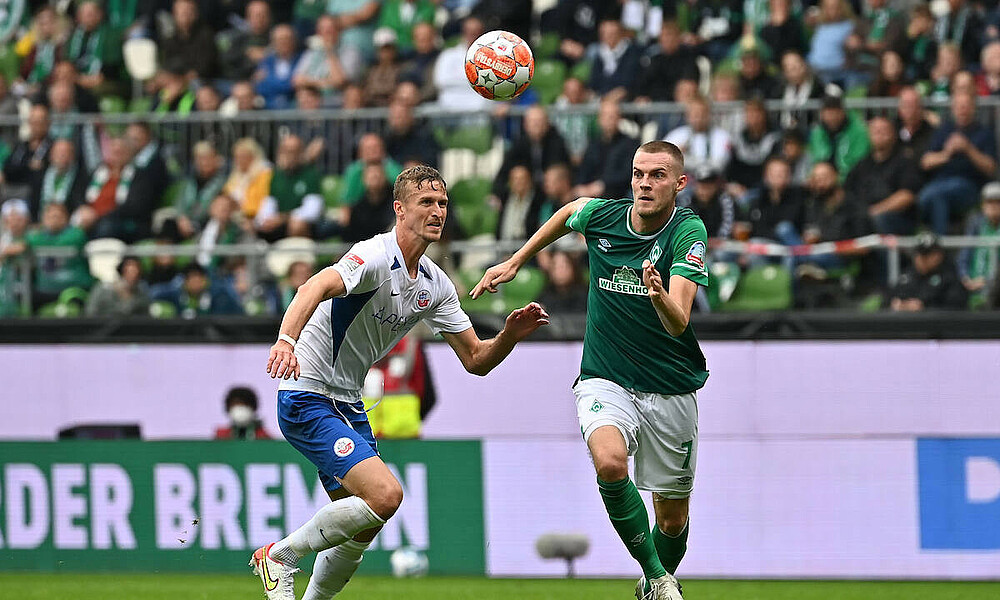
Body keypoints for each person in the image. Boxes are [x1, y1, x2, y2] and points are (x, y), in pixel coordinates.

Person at [252, 165, 548, 600]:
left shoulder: (434, 283)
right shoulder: (373, 256)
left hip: (347, 403)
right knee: (386, 496)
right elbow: (312, 287)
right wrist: (285, 341)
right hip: (307, 393)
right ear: (399, 209)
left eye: (443, 203)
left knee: (364, 524)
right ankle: (279, 556)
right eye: (426, 202)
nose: (438, 211)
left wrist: (509, 336)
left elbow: (476, 360)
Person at [472, 140, 707, 600]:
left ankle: (651, 581)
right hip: (606, 375)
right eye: (638, 173)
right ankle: (660, 579)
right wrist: (516, 260)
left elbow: (680, 319)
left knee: (673, 520)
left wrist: (659, 297)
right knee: (609, 461)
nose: (644, 183)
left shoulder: (687, 232)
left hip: (671, 385)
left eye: (657, 175)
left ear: (679, 183)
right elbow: (569, 211)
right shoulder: (604, 216)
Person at [890, 233, 968, 311]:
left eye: (925, 255)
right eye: (917, 254)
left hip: (937, 322)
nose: (919, 259)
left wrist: (924, 308)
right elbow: (890, 297)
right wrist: (898, 304)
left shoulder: (949, 277)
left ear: (938, 255)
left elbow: (955, 307)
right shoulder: (907, 275)